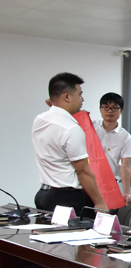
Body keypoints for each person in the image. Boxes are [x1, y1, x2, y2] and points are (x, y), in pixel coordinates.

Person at [32, 73, 107, 214]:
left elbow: (54, 108)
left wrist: (55, 104)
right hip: (66, 199)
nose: (82, 99)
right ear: (67, 97)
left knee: (47, 235)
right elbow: (83, 171)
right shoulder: (71, 128)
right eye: (79, 94)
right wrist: (99, 202)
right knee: (71, 235)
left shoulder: (39, 119)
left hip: (44, 195)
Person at [93, 92, 131, 204]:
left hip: (111, 185)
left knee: (107, 218)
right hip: (90, 183)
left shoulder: (126, 137)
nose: (109, 111)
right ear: (100, 109)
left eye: (114, 108)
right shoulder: (91, 128)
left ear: (121, 110)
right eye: (105, 107)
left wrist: (126, 192)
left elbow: (125, 166)